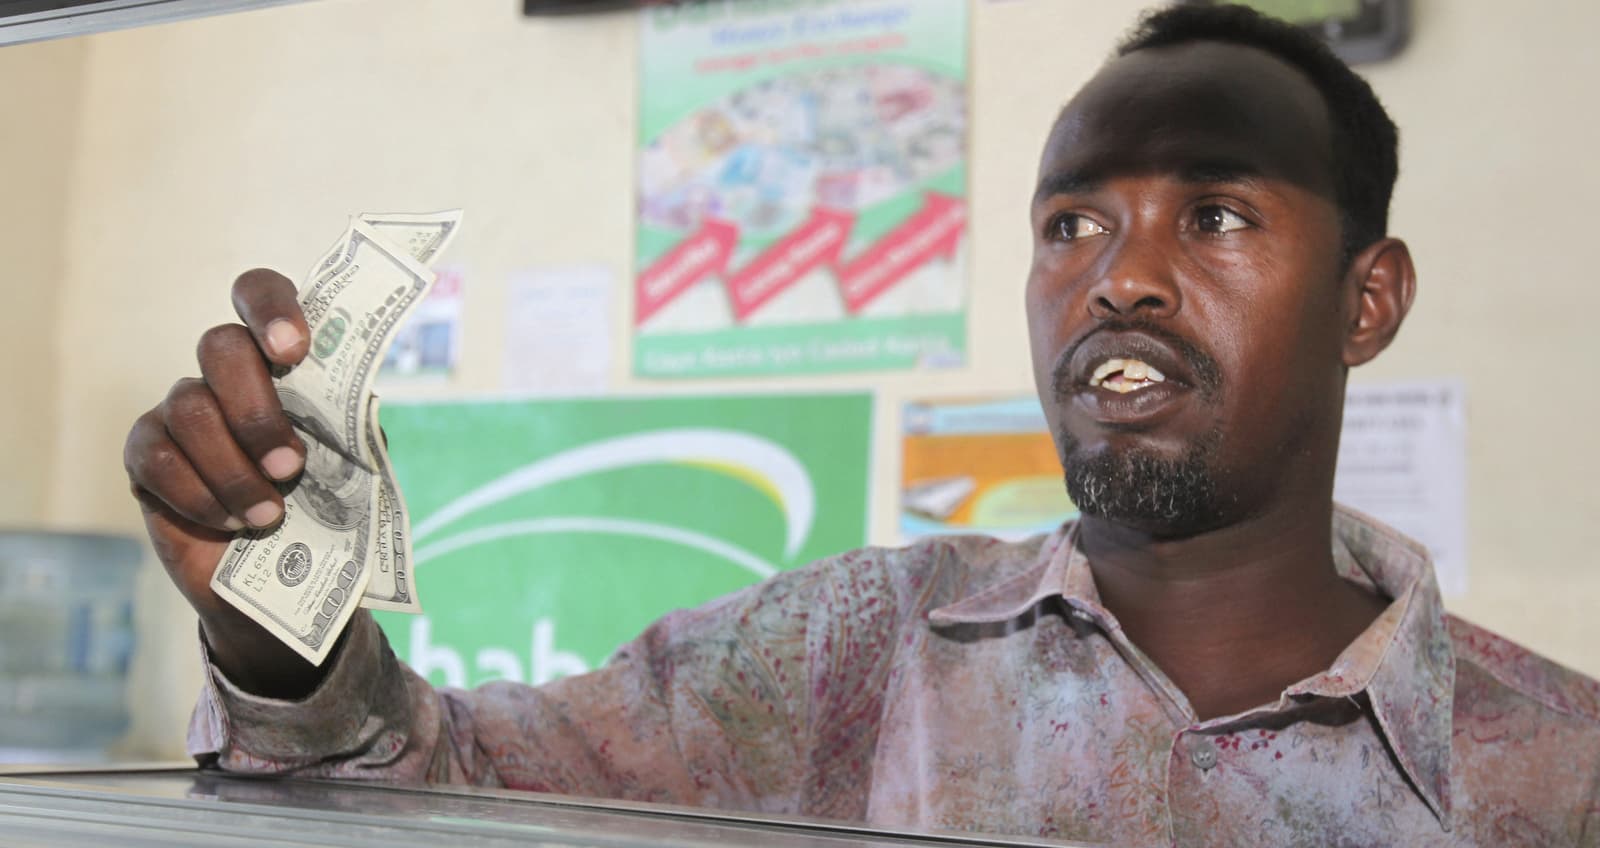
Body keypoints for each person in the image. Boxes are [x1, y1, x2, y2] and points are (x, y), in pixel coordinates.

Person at [122, 5, 1600, 846]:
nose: (1120, 278)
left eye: (1212, 215)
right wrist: (283, 638)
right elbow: (443, 790)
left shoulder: (1557, 772)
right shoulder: (856, 652)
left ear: (1368, 300)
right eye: (1071, 223)